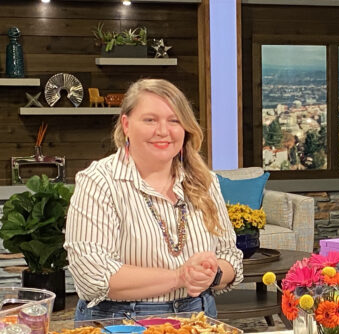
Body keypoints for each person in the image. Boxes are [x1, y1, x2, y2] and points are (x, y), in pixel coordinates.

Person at [65, 78, 243, 321]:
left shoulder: (205, 181)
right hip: (120, 323)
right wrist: (180, 276)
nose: (163, 131)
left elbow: (231, 256)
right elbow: (92, 276)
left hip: (200, 319)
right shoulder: (98, 182)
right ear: (126, 124)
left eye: (174, 120)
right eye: (150, 120)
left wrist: (212, 274)